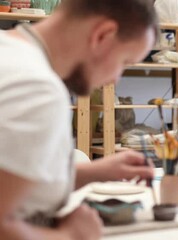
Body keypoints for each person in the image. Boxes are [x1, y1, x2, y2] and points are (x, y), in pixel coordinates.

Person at [0, 0, 158, 239]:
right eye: (125, 62)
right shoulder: (38, 89)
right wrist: (72, 235)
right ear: (103, 35)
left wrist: (94, 172)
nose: (116, 79)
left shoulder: (10, 50)